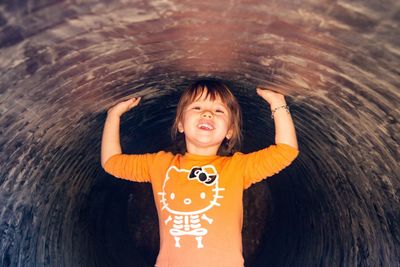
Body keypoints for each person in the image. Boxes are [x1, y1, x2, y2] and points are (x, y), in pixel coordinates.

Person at [101, 79, 299, 267]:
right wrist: (113, 116)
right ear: (180, 124)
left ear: (229, 131)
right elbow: (112, 163)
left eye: (218, 110)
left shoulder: (237, 168)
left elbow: (286, 151)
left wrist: (277, 103)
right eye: (197, 107)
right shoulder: (159, 165)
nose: (207, 114)